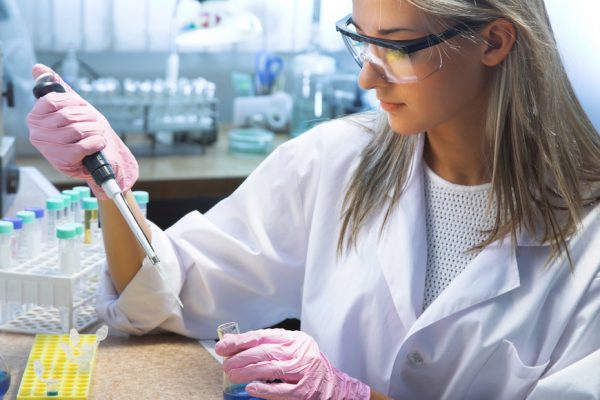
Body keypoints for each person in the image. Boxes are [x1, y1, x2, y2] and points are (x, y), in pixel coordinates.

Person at [27, 0, 600, 399]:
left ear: (495, 41)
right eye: (362, 41)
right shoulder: (335, 160)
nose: (368, 81)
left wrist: (352, 396)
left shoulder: (589, 236)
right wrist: (110, 187)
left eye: (398, 48)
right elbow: (166, 295)